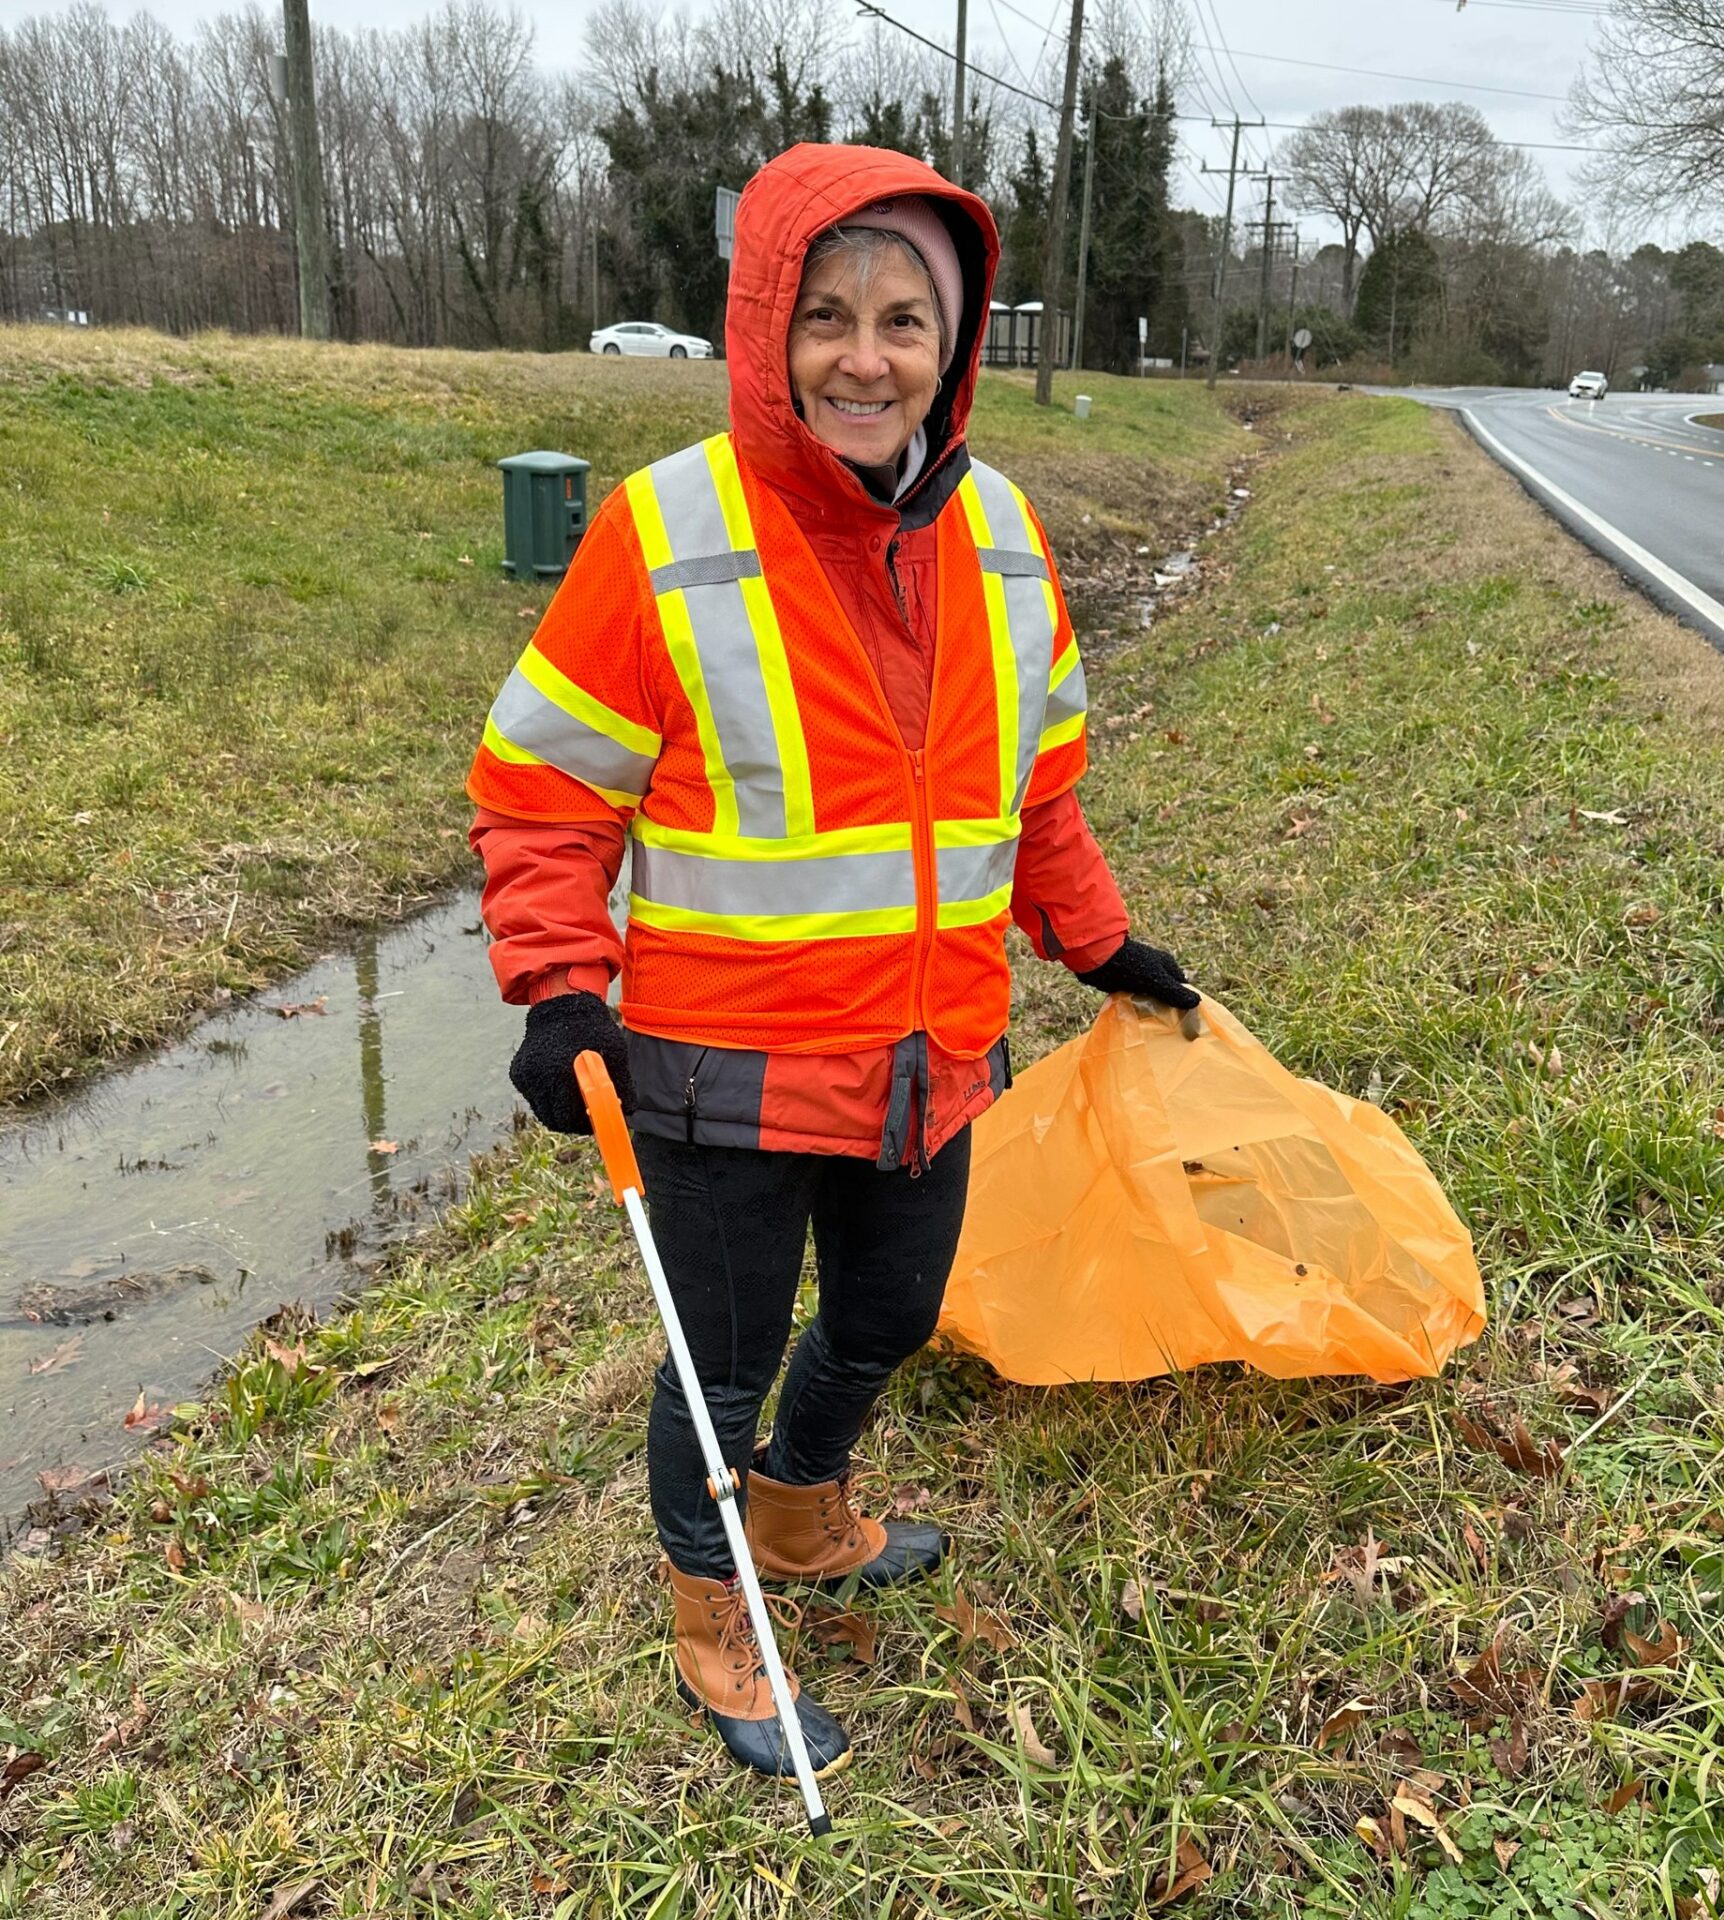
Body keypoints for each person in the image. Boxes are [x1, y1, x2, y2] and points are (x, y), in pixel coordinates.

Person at [466, 143, 1197, 1780]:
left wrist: (1102, 941)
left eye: (904, 323)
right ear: (764, 330)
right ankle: (714, 1609)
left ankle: (803, 1515)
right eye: (829, 319)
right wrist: (556, 986)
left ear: (955, 346)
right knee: (716, 1369)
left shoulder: (1004, 535)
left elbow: (1041, 792)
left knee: (884, 1316)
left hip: (934, 1064)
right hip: (723, 1082)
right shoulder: (666, 534)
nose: (865, 359)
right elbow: (541, 790)